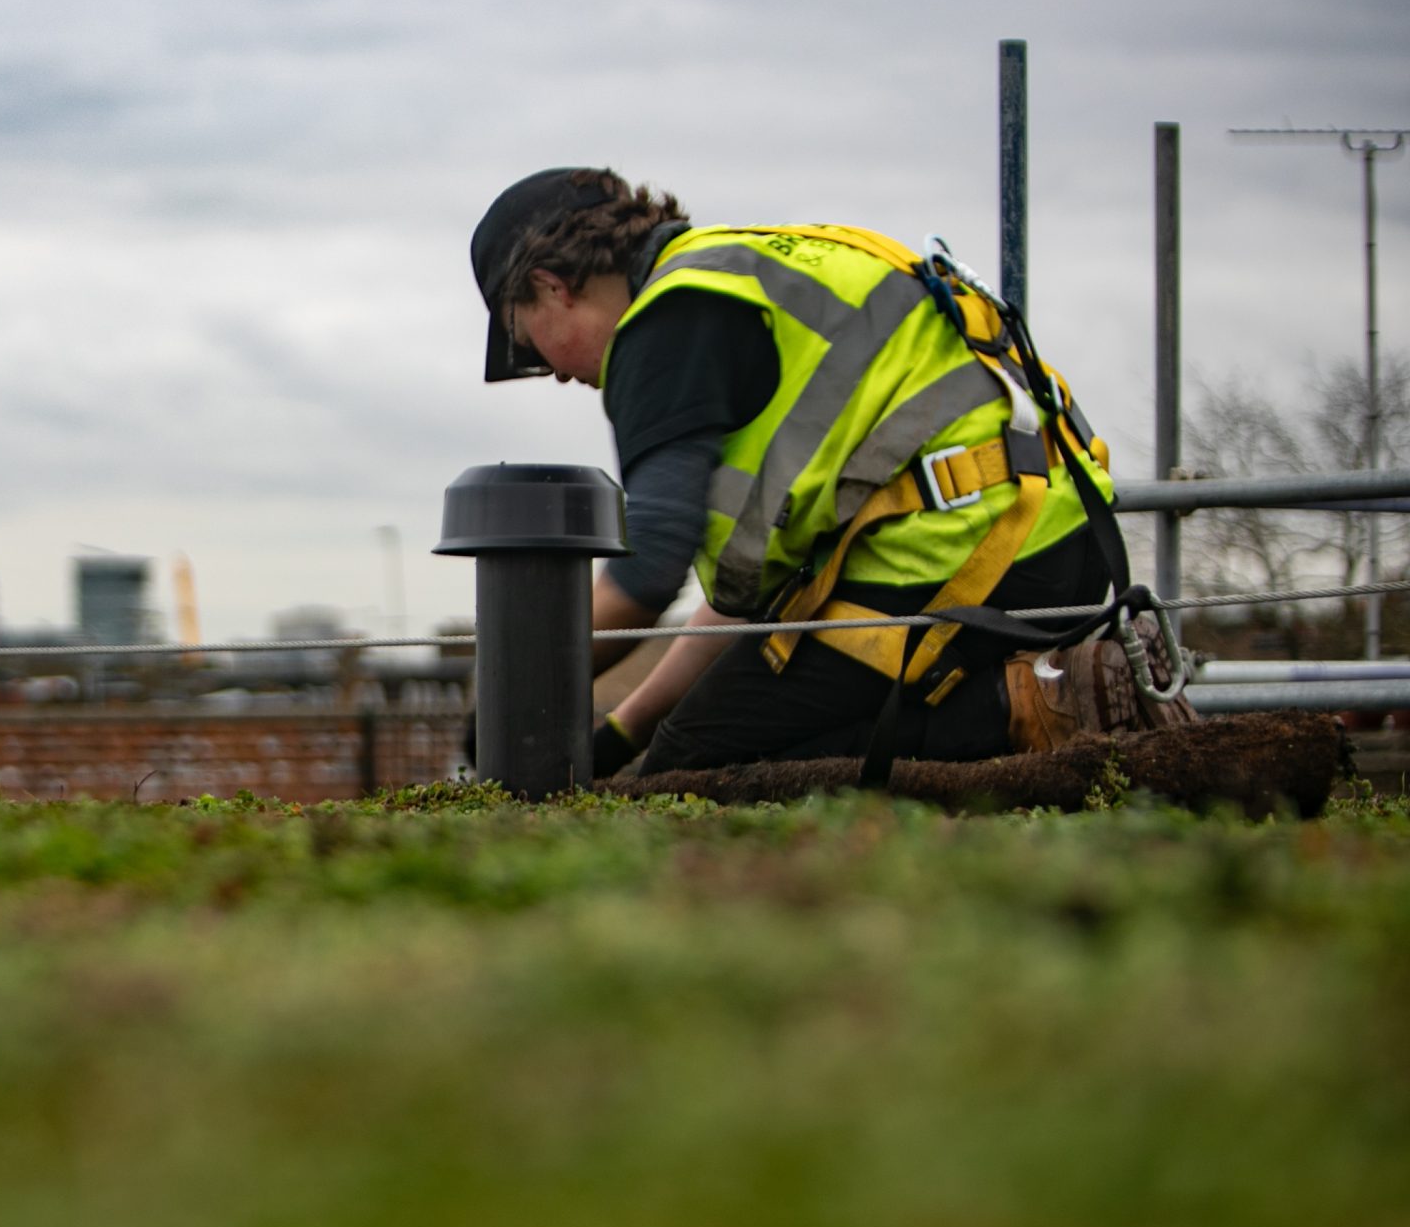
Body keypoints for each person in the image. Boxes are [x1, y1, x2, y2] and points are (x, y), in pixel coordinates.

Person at [469, 166, 1173, 778]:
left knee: (703, 766)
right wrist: (620, 733)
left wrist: (510, 693)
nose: (555, 374)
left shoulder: (665, 325)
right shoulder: (738, 274)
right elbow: (745, 613)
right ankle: (1042, 689)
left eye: (531, 345)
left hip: (975, 545)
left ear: (551, 285)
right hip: (1047, 535)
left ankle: (1032, 705)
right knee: (694, 740)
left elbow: (647, 571)